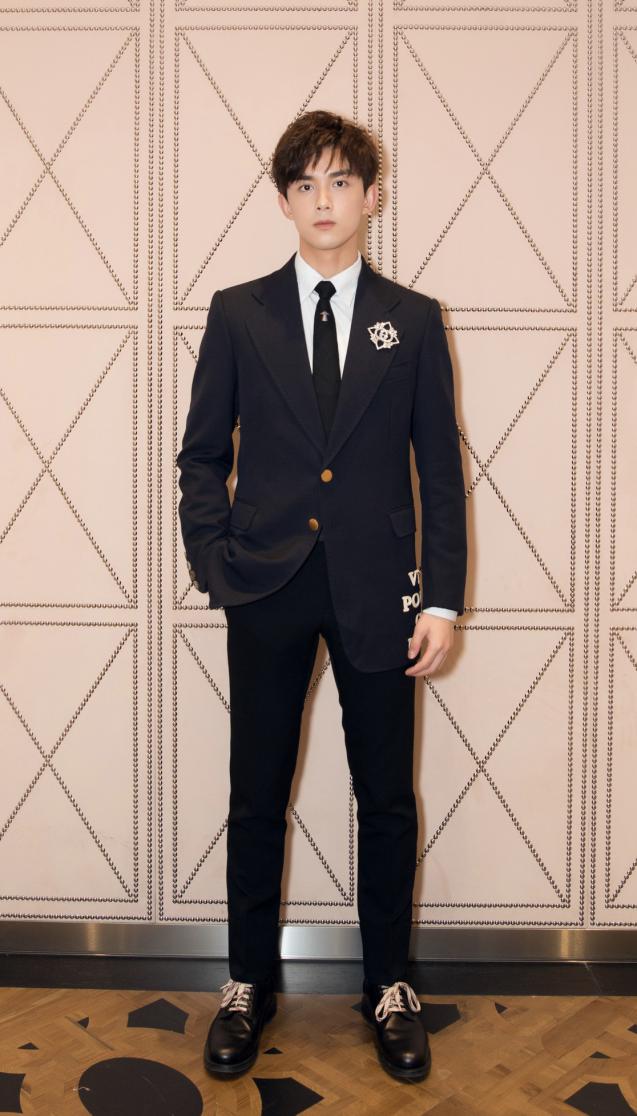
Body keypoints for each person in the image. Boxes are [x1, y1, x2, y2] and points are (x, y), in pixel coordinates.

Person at [176, 109, 467, 1084]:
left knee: (385, 796)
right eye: (304, 184)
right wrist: (214, 562)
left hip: (382, 593)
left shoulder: (412, 319)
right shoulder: (238, 312)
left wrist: (442, 601)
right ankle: (247, 984)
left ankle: (388, 985)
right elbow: (201, 455)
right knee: (256, 794)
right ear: (284, 201)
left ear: (370, 195)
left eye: (341, 181)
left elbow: (439, 470)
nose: (323, 200)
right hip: (266, 587)